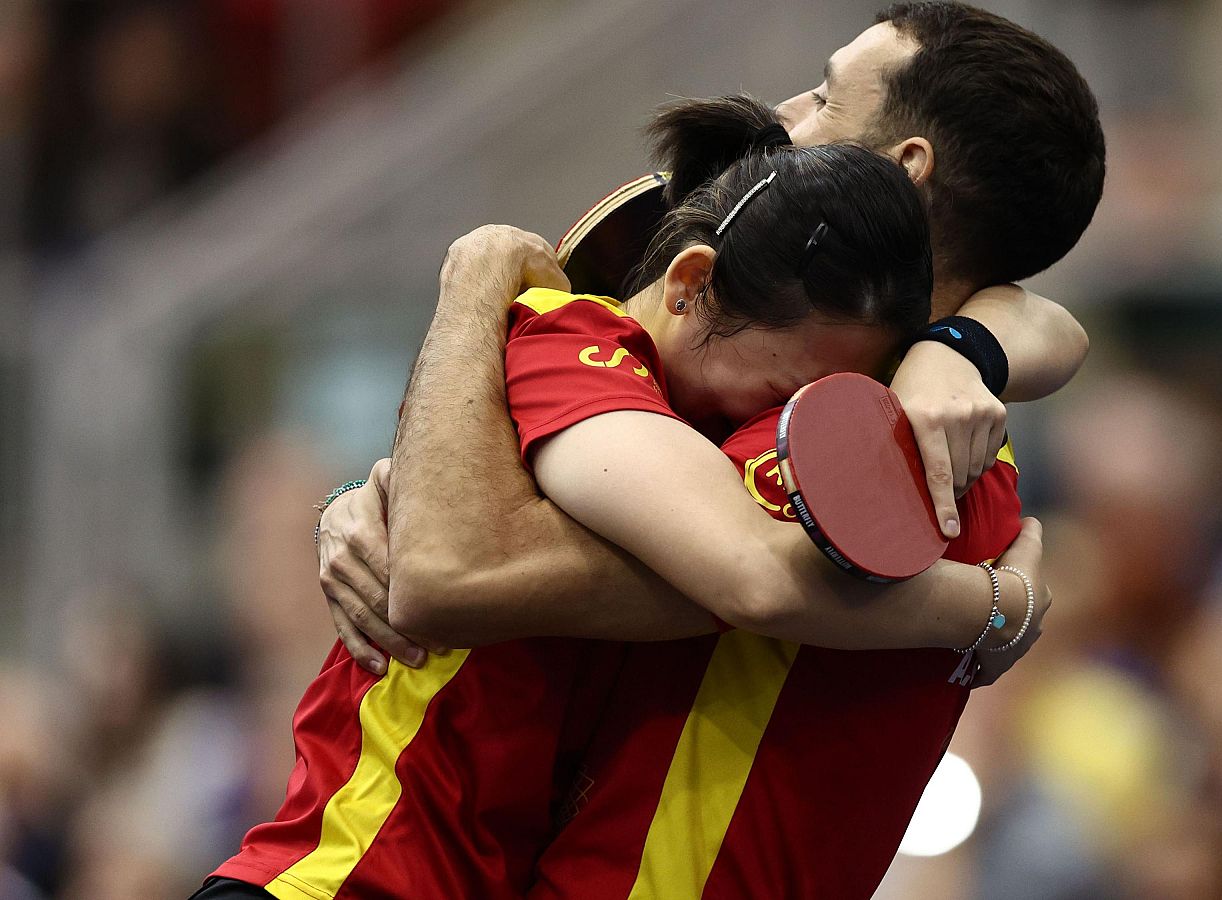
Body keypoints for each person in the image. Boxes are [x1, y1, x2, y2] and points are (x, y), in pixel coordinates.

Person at [199, 97, 1046, 900]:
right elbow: (442, 578)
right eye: (786, 391)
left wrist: (962, 348)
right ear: (689, 283)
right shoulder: (567, 339)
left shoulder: (804, 418)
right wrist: (997, 604)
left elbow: (1035, 320)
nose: (786, 425)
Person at [314, 0, 1104, 670]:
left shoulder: (884, 445)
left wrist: (479, 267)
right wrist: (368, 493)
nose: (785, 115)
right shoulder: (906, 370)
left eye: (826, 101)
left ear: (904, 169)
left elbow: (457, 571)